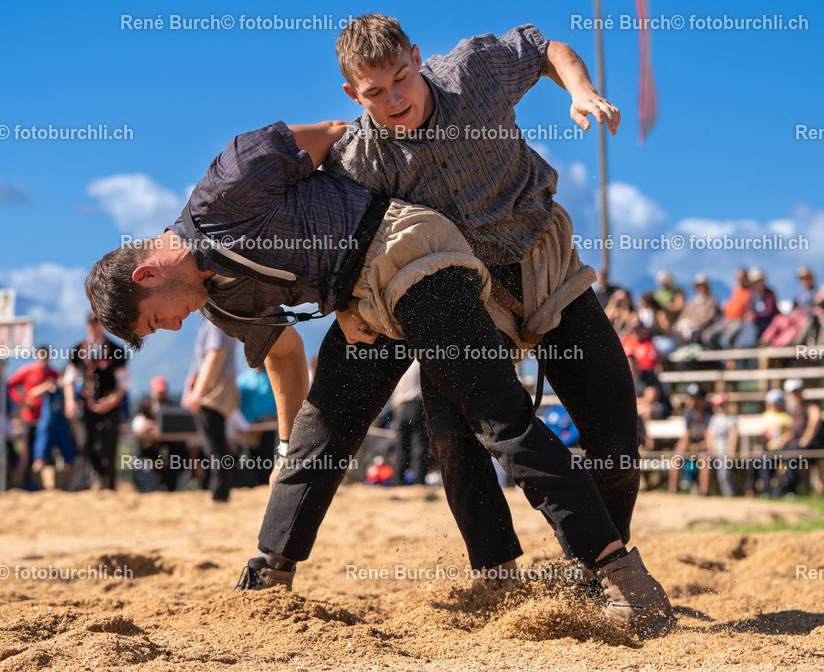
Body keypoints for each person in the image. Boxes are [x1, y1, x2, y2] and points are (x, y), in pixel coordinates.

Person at [84, 119, 673, 635]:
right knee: (323, 430)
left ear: (145, 274)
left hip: (406, 250)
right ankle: (270, 576)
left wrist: (352, 235)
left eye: (156, 319)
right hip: (366, 305)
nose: (173, 327)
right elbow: (288, 358)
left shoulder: (230, 180)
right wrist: (288, 452)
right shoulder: (224, 306)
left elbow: (344, 134)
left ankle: (619, 574)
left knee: (496, 414)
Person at [325, 16, 647, 594]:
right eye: (375, 92)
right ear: (353, 93)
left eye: (403, 77)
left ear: (418, 57)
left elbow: (549, 49)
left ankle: (601, 567)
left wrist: (581, 91)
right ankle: (496, 576)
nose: (396, 99)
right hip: (463, 292)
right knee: (454, 435)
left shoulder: (472, 71)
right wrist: (341, 303)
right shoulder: (357, 161)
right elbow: (329, 239)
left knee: (618, 435)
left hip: (543, 260)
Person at [63, 314, 129, 490]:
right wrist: (70, 401)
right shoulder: (78, 349)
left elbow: (123, 383)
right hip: (87, 403)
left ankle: (109, 486)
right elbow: (69, 379)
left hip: (110, 405)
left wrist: (112, 400)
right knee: (84, 443)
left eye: (96, 324)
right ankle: (101, 475)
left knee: (109, 446)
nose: (93, 328)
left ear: (103, 326)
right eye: (91, 324)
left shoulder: (116, 349)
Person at [184, 317, 240, 502]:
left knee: (215, 445)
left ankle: (219, 493)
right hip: (215, 385)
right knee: (216, 443)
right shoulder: (214, 319)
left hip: (213, 387)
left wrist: (198, 391)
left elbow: (216, 353)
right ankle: (220, 491)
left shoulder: (215, 320)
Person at [6, 346, 58, 488]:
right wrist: (22, 400)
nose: (43, 359)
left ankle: (46, 482)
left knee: (47, 449)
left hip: (48, 419)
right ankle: (27, 480)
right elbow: (10, 385)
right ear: (37, 356)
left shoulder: (54, 374)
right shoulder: (28, 371)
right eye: (41, 356)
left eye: (46, 356)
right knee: (28, 449)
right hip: (30, 418)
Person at [132, 376, 185, 492]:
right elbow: (138, 426)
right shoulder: (145, 408)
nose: (161, 395)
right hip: (150, 449)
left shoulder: (173, 407)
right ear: (152, 392)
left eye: (163, 392)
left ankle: (171, 486)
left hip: (170, 450)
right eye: (159, 392)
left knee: (178, 452)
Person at [236, 365, 280, 487]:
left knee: (268, 453)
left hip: (271, 423)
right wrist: (250, 422)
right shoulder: (243, 379)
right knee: (254, 455)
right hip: (250, 425)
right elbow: (241, 402)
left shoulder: (274, 375)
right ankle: (259, 481)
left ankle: (266, 481)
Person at [782, 378, 824, 496]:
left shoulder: (810, 406)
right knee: (776, 454)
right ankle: (775, 490)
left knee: (790, 456)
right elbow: (793, 431)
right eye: (793, 392)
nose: (796, 395)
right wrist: (781, 441)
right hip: (798, 446)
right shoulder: (794, 411)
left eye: (798, 391)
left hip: (814, 445)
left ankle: (792, 490)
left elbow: (815, 419)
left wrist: (807, 438)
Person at [389, 361, 430, 486]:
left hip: (399, 407)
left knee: (401, 447)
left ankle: (397, 482)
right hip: (416, 405)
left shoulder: (401, 362)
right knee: (419, 445)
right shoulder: (421, 361)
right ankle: (419, 482)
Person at [667, 384, 712, 494]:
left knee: (704, 458)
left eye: (693, 398)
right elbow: (686, 436)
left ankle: (703, 492)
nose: (689, 400)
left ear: (701, 399)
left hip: (706, 447)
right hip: (694, 447)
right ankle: (672, 492)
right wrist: (681, 449)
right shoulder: (690, 415)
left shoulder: (709, 415)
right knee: (677, 456)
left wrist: (695, 447)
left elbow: (710, 440)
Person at [701, 268, 751, 349]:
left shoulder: (751, 292)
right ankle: (717, 357)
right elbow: (732, 305)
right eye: (737, 278)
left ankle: (726, 356)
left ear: (746, 278)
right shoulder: (736, 291)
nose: (739, 280)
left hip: (739, 322)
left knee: (725, 339)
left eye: (741, 278)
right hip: (726, 320)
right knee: (707, 335)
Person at [705, 393, 739, 497]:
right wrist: (711, 449)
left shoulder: (731, 419)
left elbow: (733, 435)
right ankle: (720, 493)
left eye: (722, 405)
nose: (720, 408)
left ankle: (729, 494)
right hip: (717, 452)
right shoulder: (715, 419)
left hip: (726, 452)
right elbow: (709, 435)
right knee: (719, 474)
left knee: (724, 475)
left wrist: (731, 451)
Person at [673, 274, 719, 345]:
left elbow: (709, 317)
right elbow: (684, 314)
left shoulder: (712, 300)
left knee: (692, 333)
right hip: (689, 326)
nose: (700, 288)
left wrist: (695, 323)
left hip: (703, 328)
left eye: (702, 286)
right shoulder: (693, 301)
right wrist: (681, 323)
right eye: (698, 286)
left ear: (707, 287)